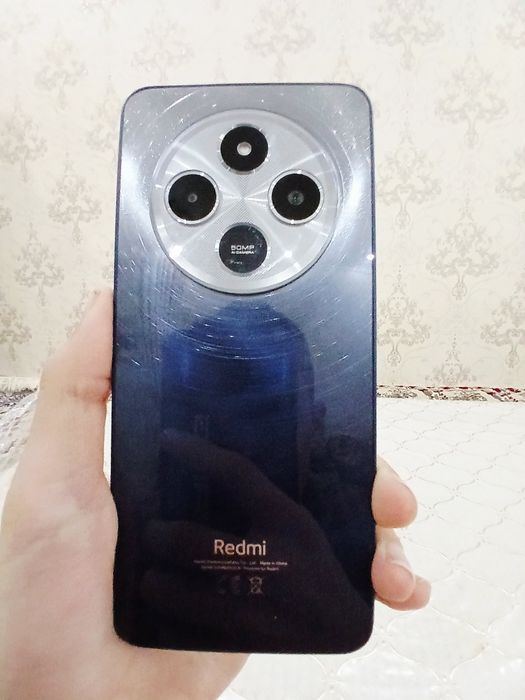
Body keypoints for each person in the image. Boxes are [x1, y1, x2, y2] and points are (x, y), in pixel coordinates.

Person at [0, 289, 431, 700]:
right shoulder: (131, 515)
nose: (243, 441)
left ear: (316, 423)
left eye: (270, 416)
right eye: (219, 419)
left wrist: (337, 598)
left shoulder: (339, 501)